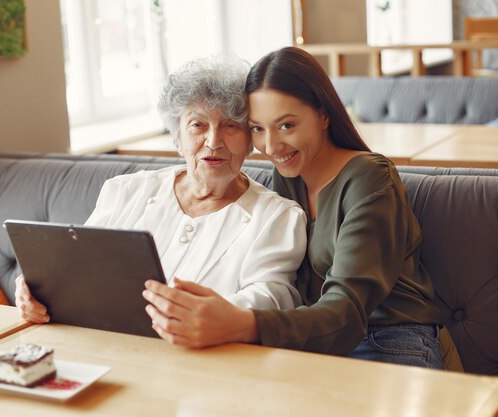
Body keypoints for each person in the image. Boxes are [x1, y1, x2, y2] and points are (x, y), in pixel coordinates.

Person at [142, 47, 449, 369]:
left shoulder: (370, 178)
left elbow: (349, 310)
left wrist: (242, 323)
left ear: (324, 115)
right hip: (312, 339)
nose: (271, 147)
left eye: (286, 125)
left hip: (390, 338)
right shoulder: (289, 175)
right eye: (258, 129)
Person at [14, 55, 307, 324]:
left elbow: (274, 296)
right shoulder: (125, 192)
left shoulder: (277, 216)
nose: (213, 141)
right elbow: (74, 266)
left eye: (231, 126)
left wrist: (212, 314)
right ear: (177, 137)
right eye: (197, 125)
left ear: (249, 140)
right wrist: (35, 287)